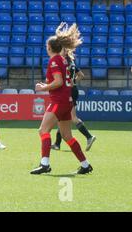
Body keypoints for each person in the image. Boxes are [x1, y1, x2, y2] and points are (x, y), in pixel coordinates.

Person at [31, 23, 93, 175]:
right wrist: (46, 85)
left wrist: (43, 88)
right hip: (66, 100)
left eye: (47, 46)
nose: (46, 48)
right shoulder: (62, 59)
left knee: (43, 130)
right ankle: (85, 165)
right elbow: (63, 81)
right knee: (67, 136)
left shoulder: (54, 61)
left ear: (50, 48)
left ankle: (44, 164)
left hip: (59, 101)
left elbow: (58, 82)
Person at [51, 49, 96, 151]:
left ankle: (89, 136)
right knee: (62, 117)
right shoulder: (71, 61)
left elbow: (59, 78)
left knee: (72, 117)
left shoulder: (62, 61)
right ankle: (57, 144)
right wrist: (73, 81)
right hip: (73, 89)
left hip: (67, 91)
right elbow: (81, 75)